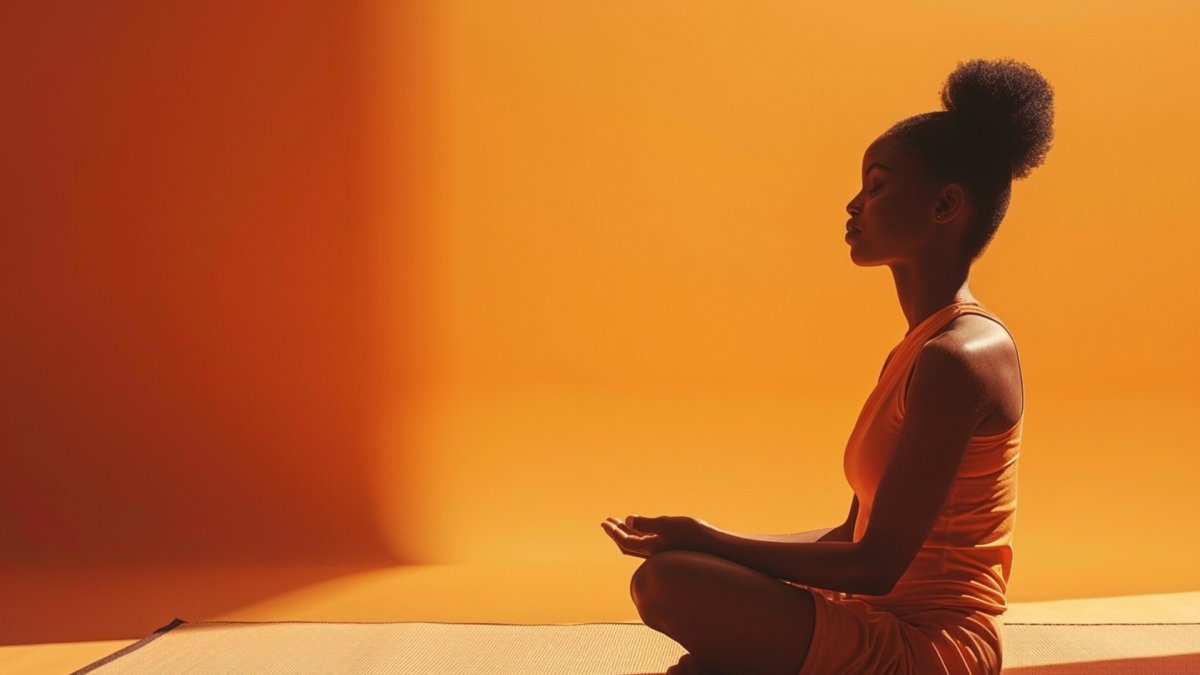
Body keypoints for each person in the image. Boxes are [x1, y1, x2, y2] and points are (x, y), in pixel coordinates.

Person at [600, 57, 1054, 675]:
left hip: (936, 649)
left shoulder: (962, 357)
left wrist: (708, 542)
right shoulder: (920, 349)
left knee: (670, 583)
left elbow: (876, 565)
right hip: (872, 619)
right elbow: (849, 536)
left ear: (946, 204)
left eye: (877, 186)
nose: (853, 204)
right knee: (687, 597)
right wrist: (713, 545)